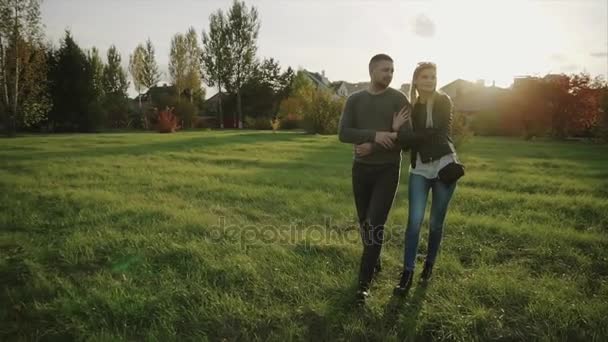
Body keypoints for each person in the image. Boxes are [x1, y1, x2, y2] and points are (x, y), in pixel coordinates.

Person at [338, 53, 426, 304]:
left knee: (375, 224)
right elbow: (343, 133)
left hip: (387, 170)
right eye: (385, 70)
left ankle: (363, 284)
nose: (389, 74)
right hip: (361, 170)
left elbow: (406, 139)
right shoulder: (355, 100)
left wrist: (375, 145)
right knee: (365, 222)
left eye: (392, 71)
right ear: (371, 71)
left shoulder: (398, 99)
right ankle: (374, 260)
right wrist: (376, 135)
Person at [394, 62, 460, 296]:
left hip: (444, 167)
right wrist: (403, 133)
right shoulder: (410, 107)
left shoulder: (443, 101)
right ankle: (407, 272)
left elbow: (439, 131)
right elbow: (403, 143)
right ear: (416, 80)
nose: (430, 80)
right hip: (419, 169)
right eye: (425, 76)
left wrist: (410, 136)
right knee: (413, 223)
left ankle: (428, 266)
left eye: (433, 76)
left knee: (435, 224)